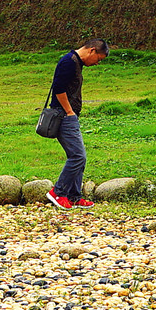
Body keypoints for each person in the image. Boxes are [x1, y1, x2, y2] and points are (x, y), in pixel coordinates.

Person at [46, 40, 110, 209]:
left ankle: (74, 196)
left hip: (68, 115)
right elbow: (58, 88)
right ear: (92, 50)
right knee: (77, 156)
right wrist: (69, 112)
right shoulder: (68, 62)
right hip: (64, 116)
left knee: (79, 157)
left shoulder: (75, 62)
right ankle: (58, 192)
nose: (97, 63)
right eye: (98, 59)